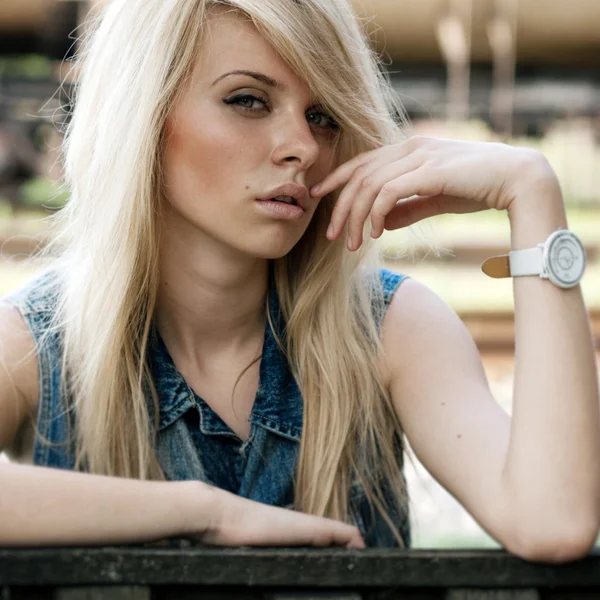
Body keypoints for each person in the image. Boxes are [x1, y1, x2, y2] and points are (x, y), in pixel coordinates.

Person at [0, 0, 598, 560]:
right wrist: (203, 512)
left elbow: (553, 521)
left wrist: (532, 190)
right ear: (145, 115)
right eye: (249, 100)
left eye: (323, 116)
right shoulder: (43, 340)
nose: (303, 147)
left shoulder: (389, 330)